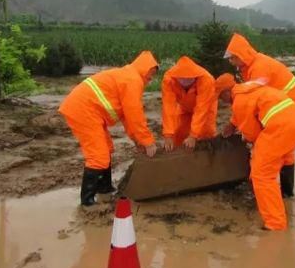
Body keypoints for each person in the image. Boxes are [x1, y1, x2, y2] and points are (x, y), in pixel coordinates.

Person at [215, 73, 295, 231]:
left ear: (226, 92)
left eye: (221, 97)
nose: (222, 101)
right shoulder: (249, 89)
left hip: (279, 130)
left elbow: (251, 133)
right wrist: (233, 124)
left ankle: (275, 223)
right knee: (277, 161)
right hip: (294, 123)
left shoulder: (239, 101)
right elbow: (247, 110)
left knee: (261, 175)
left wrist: (248, 141)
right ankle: (283, 199)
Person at [59, 51, 159, 206]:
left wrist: (137, 140)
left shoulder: (128, 76)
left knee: (106, 148)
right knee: (98, 156)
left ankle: (104, 188)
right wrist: (148, 141)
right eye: (151, 73)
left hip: (88, 110)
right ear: (144, 69)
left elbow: (127, 118)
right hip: (83, 110)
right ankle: (87, 202)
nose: (151, 77)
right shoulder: (133, 80)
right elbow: (135, 115)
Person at [223, 32, 295, 197]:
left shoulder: (259, 68)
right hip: (287, 107)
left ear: (241, 55)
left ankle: (279, 190)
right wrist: (234, 124)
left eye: (233, 58)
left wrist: (247, 134)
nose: (231, 62)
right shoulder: (252, 65)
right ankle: (285, 192)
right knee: (284, 149)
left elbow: (252, 102)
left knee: (279, 150)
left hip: (289, 108)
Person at [161, 56, 217, 151]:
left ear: (195, 76)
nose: (185, 80)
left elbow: (202, 109)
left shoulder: (206, 79)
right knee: (179, 131)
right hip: (184, 107)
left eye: (188, 78)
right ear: (176, 76)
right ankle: (179, 155)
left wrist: (193, 135)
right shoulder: (169, 80)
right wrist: (168, 134)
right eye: (182, 78)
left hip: (206, 107)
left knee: (205, 133)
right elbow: (168, 106)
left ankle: (207, 157)